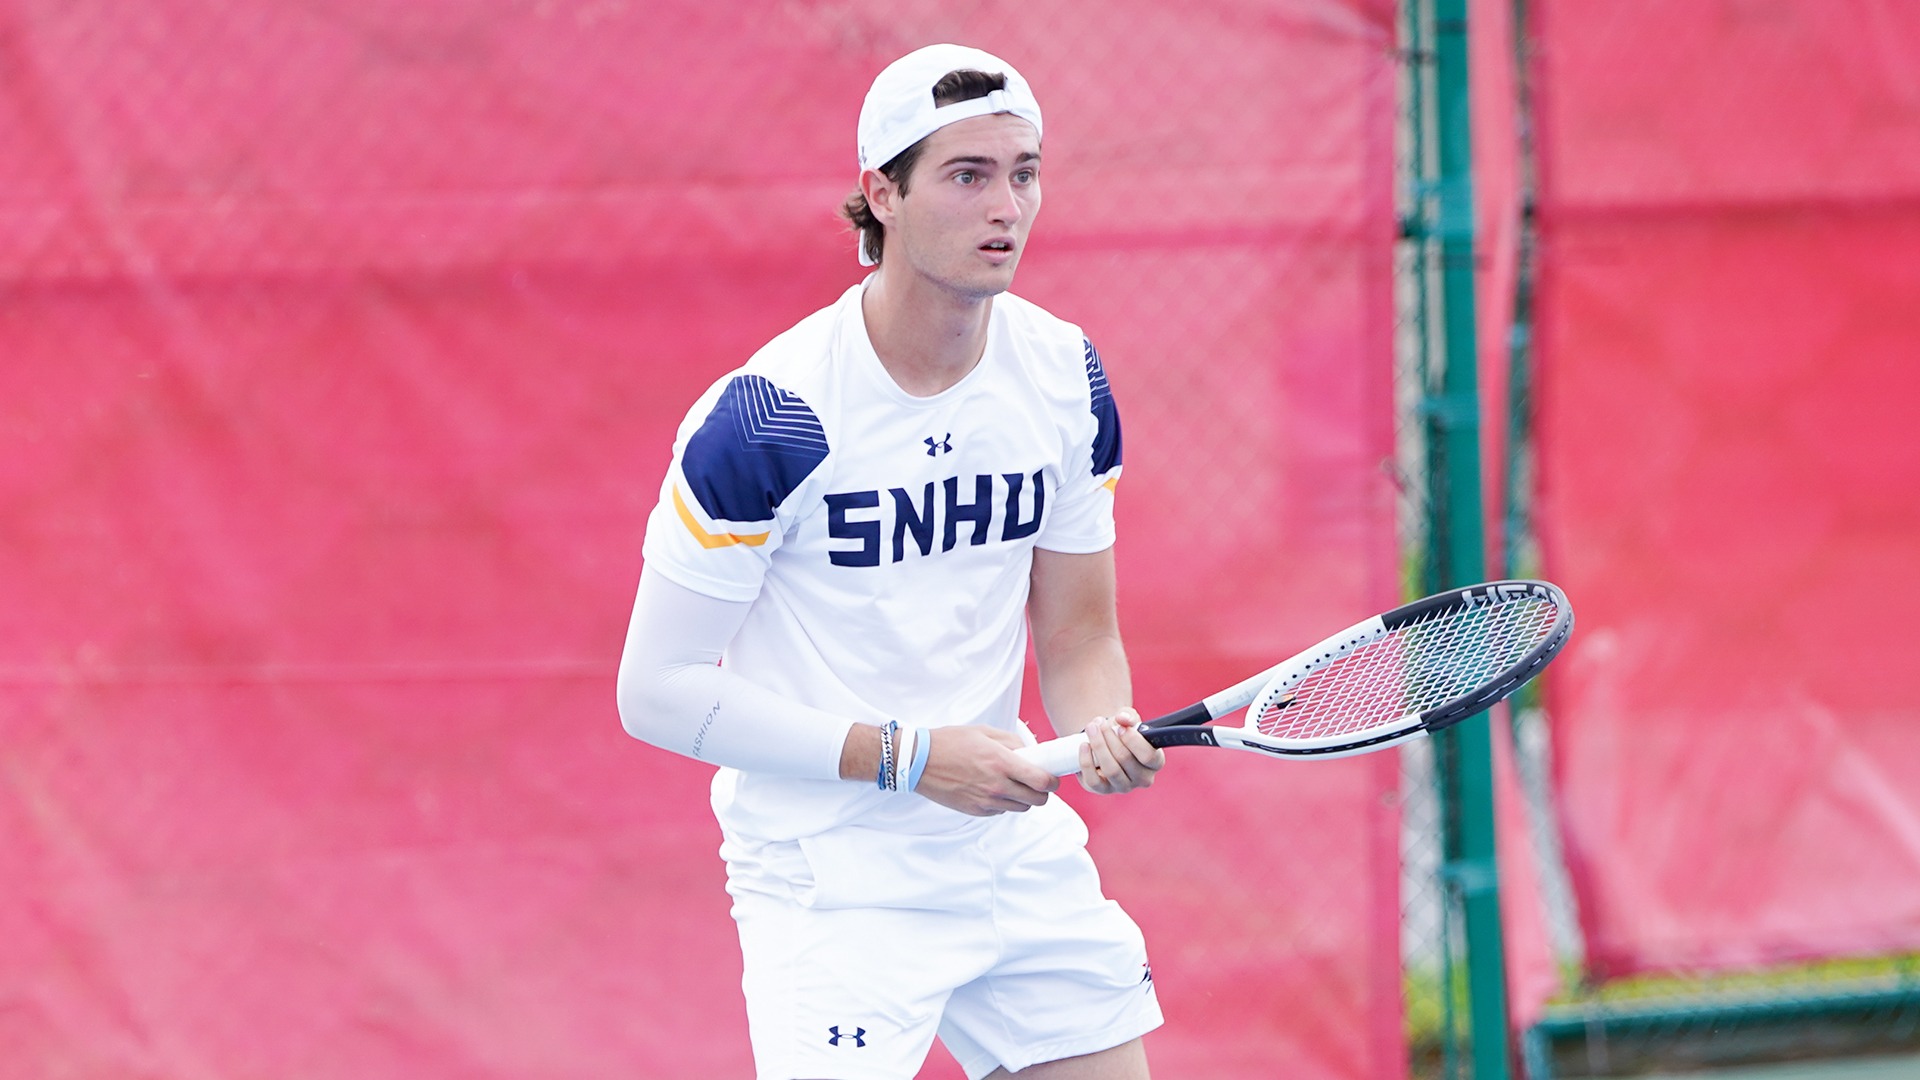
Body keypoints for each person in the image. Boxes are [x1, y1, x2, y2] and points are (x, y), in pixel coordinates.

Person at [618, 43, 1164, 1080]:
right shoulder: (770, 417)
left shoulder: (1065, 375)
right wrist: (910, 759)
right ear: (883, 195)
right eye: (967, 175)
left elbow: (1080, 636)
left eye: (1024, 173)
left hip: (1006, 844)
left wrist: (1101, 730)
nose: (1006, 207)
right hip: (831, 877)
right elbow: (656, 691)